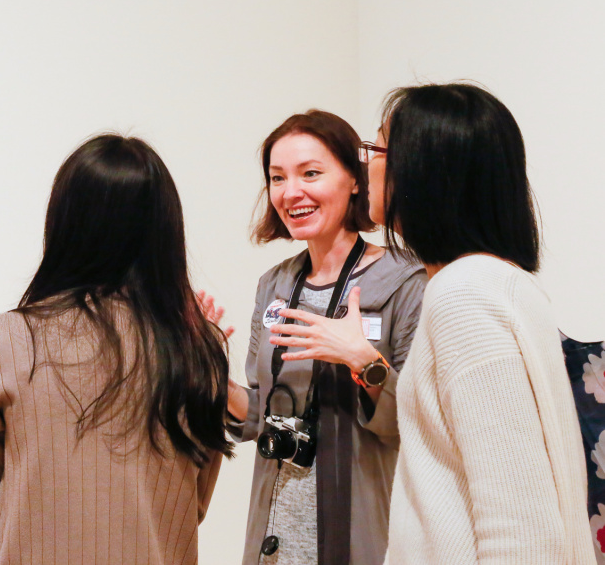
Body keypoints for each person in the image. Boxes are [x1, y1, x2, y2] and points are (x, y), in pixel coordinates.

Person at [0, 133, 236, 565]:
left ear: (64, 222)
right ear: (164, 231)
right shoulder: (199, 348)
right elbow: (193, 506)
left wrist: (13, 504)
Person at [374, 83, 595, 564]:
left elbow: (524, 534)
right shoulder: (499, 282)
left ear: (423, 171)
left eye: (379, 149)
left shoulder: (464, 294)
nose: (367, 163)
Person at [226, 110, 425, 564]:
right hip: (272, 541)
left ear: (355, 180)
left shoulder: (404, 280)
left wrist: (363, 361)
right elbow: (261, 417)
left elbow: (416, 427)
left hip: (359, 541)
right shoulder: (273, 285)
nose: (290, 192)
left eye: (310, 173)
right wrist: (210, 375)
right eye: (277, 178)